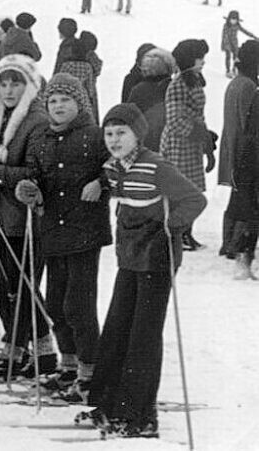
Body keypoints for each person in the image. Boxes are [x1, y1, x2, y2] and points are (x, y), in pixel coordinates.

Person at [84, 104, 207, 439]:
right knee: (118, 328)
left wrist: (172, 225)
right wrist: (99, 182)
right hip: (129, 257)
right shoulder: (112, 167)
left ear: (138, 134)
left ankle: (141, 414)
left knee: (144, 336)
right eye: (109, 133)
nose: (114, 140)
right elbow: (116, 184)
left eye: (121, 132)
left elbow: (195, 200)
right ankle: (111, 404)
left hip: (156, 258)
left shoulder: (156, 165)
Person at [16, 73, 112, 402]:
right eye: (53, 100)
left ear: (79, 103)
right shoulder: (42, 137)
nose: (58, 106)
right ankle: (69, 366)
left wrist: (101, 182)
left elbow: (117, 163)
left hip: (85, 231)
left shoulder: (95, 135)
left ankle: (92, 371)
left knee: (78, 305)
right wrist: (28, 188)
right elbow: (34, 173)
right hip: (52, 230)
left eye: (65, 100)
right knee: (56, 303)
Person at [0, 54, 57, 380]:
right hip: (5, 217)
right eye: (3, 83)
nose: (8, 90)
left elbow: (33, 172)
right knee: (13, 289)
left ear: (29, 85)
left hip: (27, 219)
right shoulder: (2, 116)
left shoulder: (34, 120)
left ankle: (18, 352)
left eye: (16, 83)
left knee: (18, 289)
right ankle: (38, 351)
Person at [160, 39, 215, 251]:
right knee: (182, 191)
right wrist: (198, 133)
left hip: (190, 145)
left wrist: (206, 141)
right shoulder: (178, 84)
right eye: (200, 57)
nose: (203, 61)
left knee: (192, 190)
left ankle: (186, 233)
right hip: (178, 145)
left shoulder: (194, 80)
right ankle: (177, 233)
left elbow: (197, 114)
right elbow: (175, 120)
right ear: (189, 59)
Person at [219, 41, 259, 263]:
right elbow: (249, 122)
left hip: (233, 145)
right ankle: (235, 243)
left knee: (237, 197)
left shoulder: (237, 82)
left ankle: (229, 242)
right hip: (244, 150)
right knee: (245, 199)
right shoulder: (248, 87)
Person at [127, 47, 176, 152]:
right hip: (170, 142)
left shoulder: (138, 90)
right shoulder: (172, 87)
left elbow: (130, 118)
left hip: (145, 143)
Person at [221, 10, 257, 76]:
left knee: (236, 57)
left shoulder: (237, 26)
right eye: (232, 19)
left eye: (235, 19)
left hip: (234, 43)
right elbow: (225, 36)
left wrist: (254, 37)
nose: (233, 21)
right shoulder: (226, 26)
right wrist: (226, 45)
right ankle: (228, 70)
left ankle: (234, 69)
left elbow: (245, 31)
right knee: (228, 56)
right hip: (227, 43)